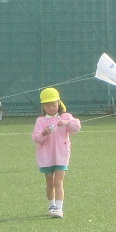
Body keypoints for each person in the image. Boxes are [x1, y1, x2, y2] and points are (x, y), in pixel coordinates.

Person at [33, 87, 80, 219]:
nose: (51, 108)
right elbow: (36, 138)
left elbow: (76, 127)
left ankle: (59, 208)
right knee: (50, 182)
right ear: (43, 106)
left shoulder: (65, 116)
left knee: (58, 181)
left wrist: (67, 123)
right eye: (47, 106)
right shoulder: (41, 120)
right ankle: (52, 206)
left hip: (61, 155)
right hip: (46, 156)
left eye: (53, 105)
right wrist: (44, 133)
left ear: (58, 103)